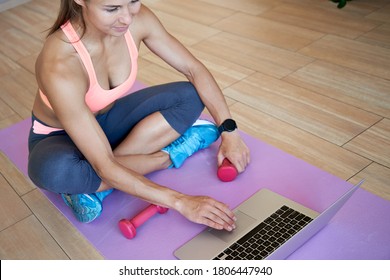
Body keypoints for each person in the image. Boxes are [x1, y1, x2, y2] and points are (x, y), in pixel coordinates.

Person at [28, 0, 250, 232]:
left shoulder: (137, 18)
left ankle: (93, 184)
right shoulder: (60, 63)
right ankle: (169, 154)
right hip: (58, 139)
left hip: (107, 122)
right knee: (53, 171)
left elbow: (193, 69)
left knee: (192, 95)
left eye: (133, 1)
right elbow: (104, 164)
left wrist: (230, 132)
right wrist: (181, 201)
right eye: (112, 9)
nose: (127, 17)